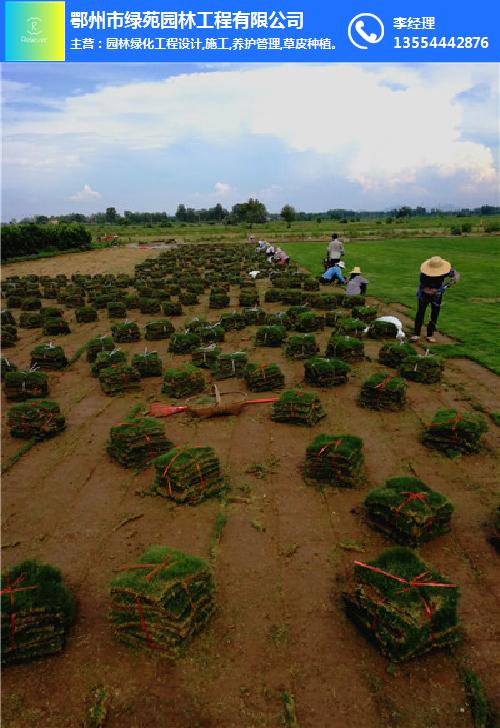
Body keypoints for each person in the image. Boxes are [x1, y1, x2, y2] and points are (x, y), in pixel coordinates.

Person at [411, 256, 460, 343]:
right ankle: (416, 334)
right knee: (420, 312)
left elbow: (455, 274)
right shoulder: (424, 275)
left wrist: (455, 278)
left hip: (437, 295)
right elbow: (425, 289)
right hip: (424, 294)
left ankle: (430, 335)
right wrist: (433, 291)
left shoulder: (444, 271)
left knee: (435, 313)